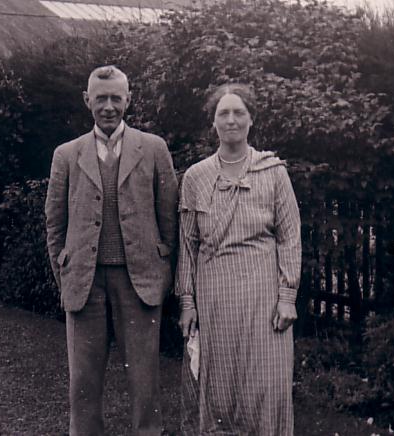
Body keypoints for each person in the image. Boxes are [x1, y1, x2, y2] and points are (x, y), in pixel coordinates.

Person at [45, 65, 178, 436]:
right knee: (83, 381)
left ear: (128, 100)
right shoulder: (67, 154)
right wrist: (66, 271)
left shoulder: (153, 149)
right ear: (87, 100)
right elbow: (55, 222)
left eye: (115, 99)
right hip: (84, 283)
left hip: (139, 281)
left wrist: (162, 271)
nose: (108, 107)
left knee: (144, 378)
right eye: (100, 98)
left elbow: (168, 218)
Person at [176, 83, 302, 435]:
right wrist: (187, 302)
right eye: (223, 113)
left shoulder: (273, 172)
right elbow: (188, 244)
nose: (231, 120)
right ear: (213, 123)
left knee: (267, 384)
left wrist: (287, 296)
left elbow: (290, 236)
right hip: (215, 294)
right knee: (219, 386)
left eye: (239, 112)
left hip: (264, 296)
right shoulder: (195, 178)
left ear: (251, 120)